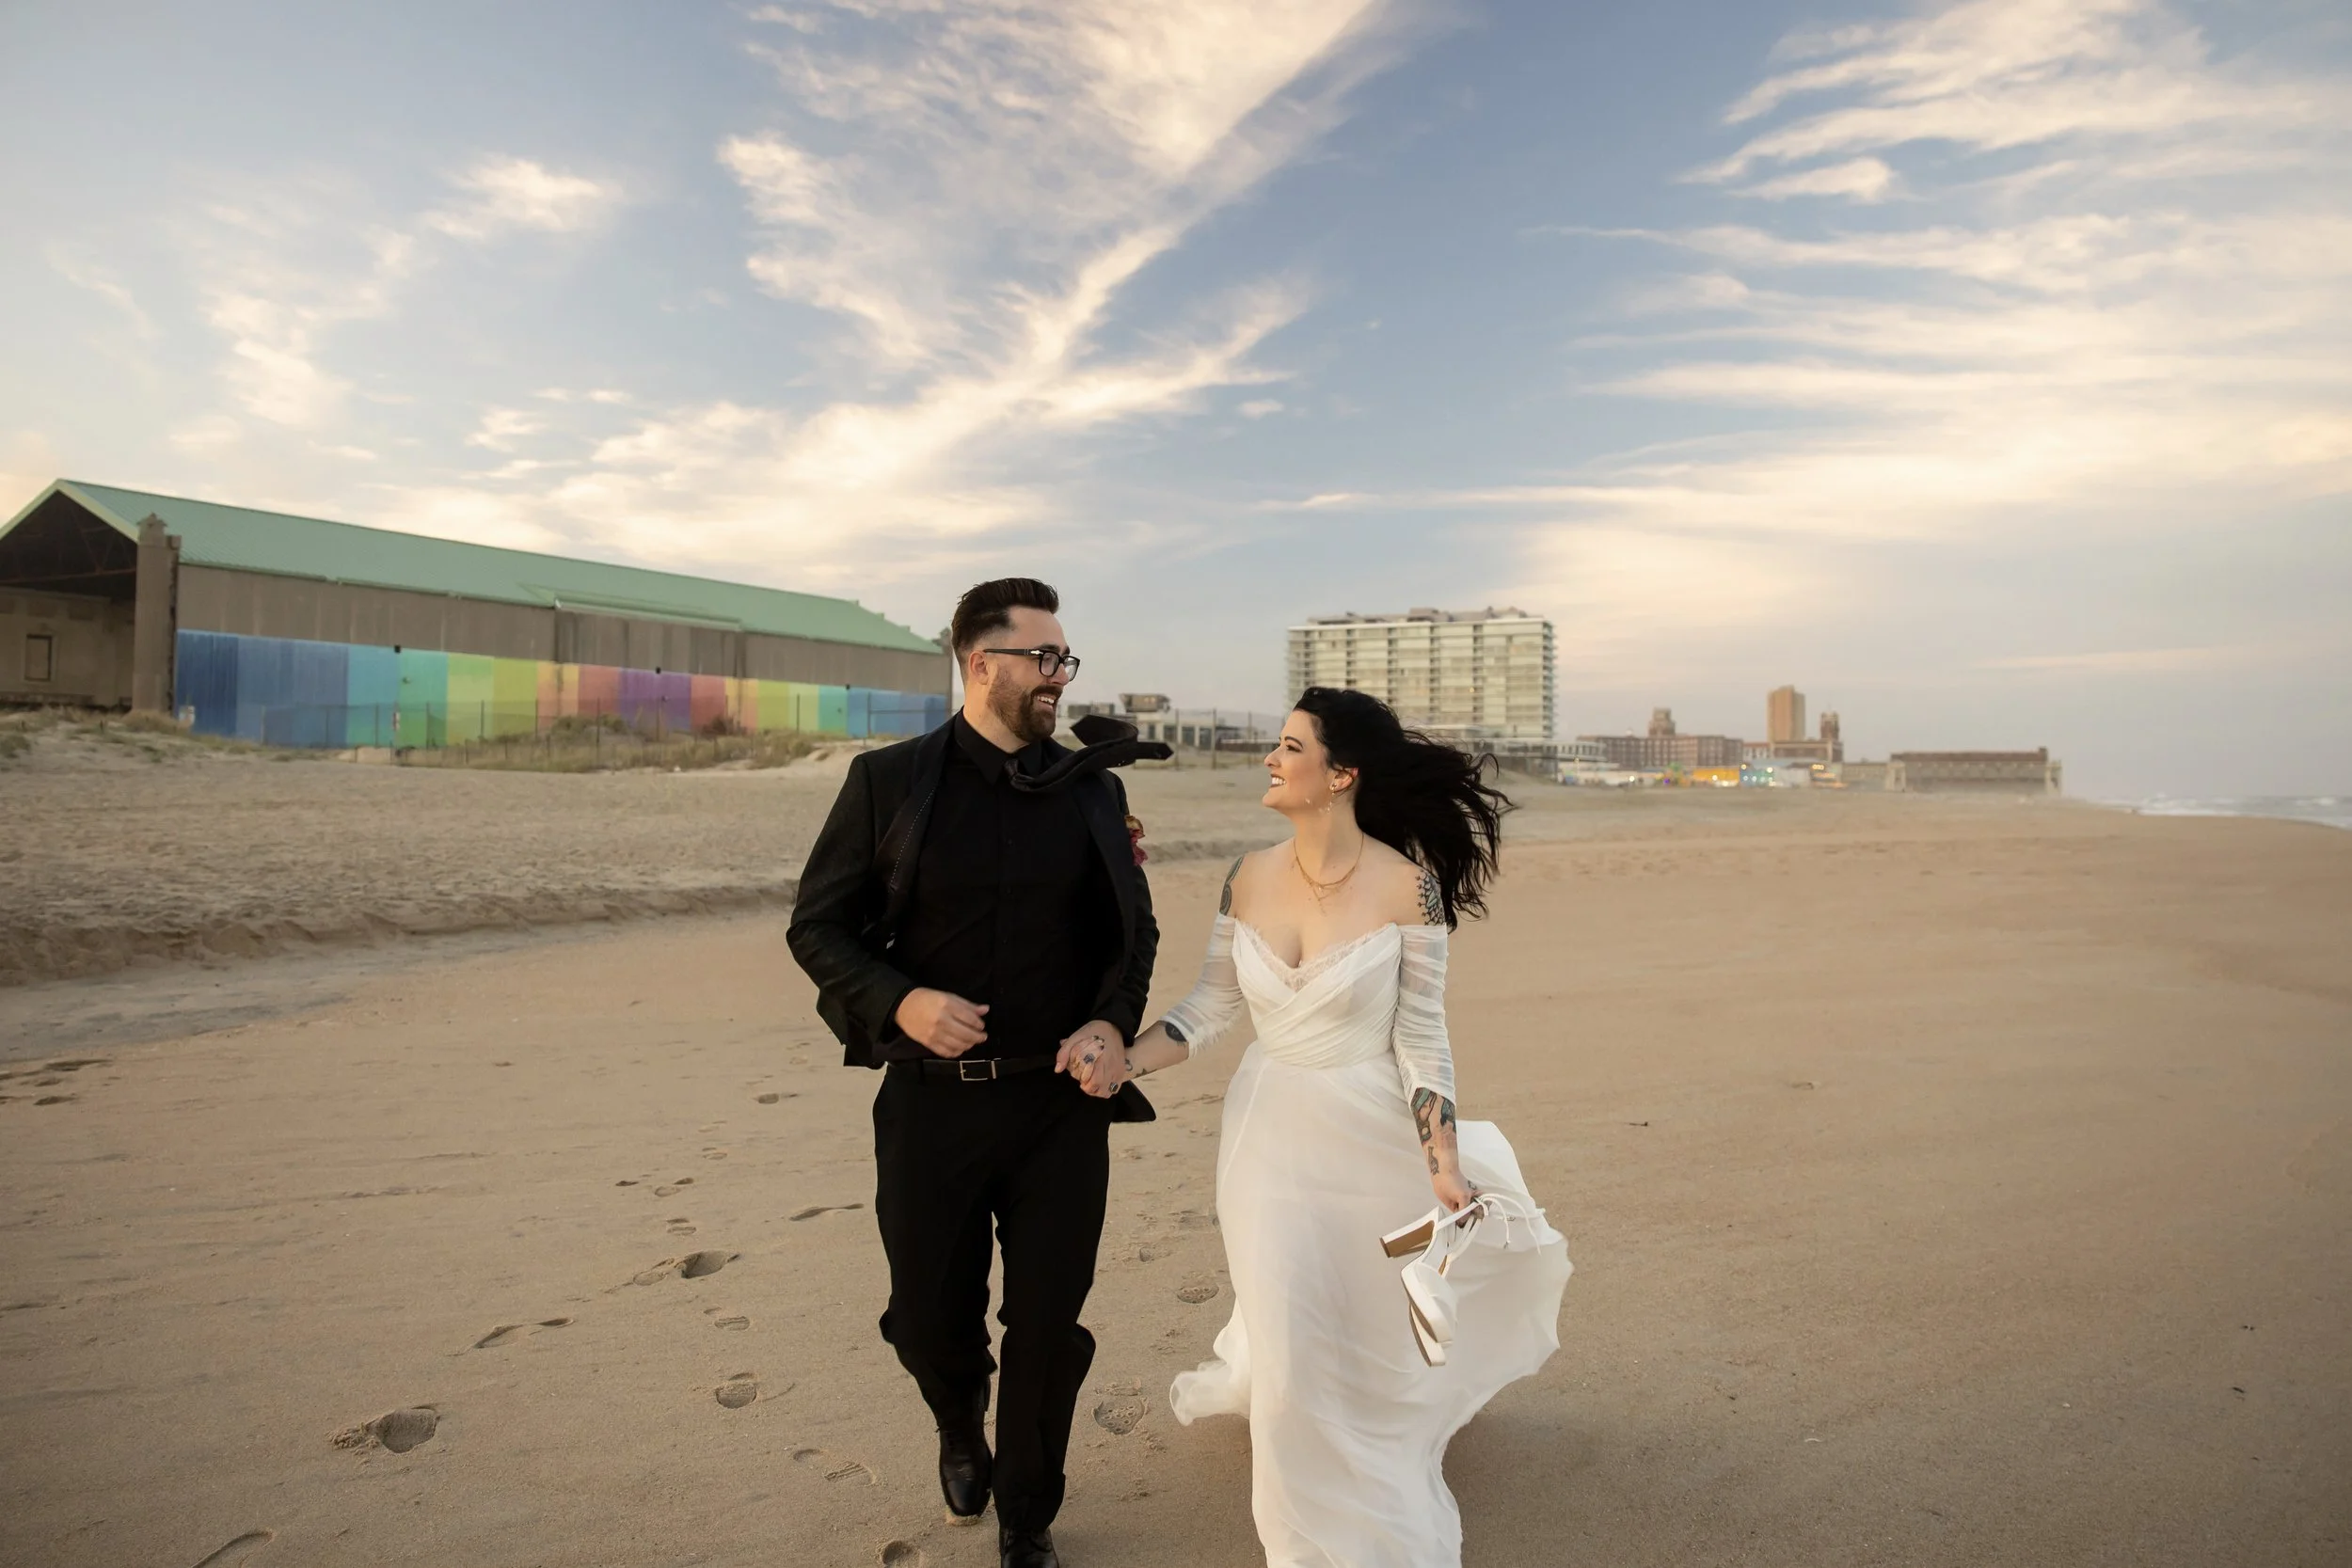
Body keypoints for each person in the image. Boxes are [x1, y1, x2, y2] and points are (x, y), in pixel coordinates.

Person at [1073, 686, 1572, 1568]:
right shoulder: (1250, 873)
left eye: (1290, 746)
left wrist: (1444, 1164)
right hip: (1268, 1133)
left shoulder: (1407, 888)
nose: (1271, 758)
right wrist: (1122, 1060)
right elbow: (1208, 1009)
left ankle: (1373, 1431)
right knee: (1289, 1330)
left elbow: (1423, 1040)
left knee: (1357, 1315)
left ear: (1340, 775)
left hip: (1371, 1128)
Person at [787, 578, 1159, 1568]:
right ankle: (958, 1420)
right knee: (926, 1319)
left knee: (1046, 1325)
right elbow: (815, 926)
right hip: (930, 1108)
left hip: (1059, 1105)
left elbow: (1136, 930)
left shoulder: (1093, 787)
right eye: (1044, 657)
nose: (1060, 675)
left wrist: (1111, 1024)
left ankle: (1028, 1510)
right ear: (980, 662)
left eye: (1065, 659)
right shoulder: (888, 781)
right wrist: (898, 998)